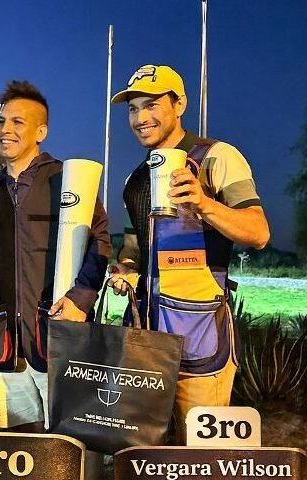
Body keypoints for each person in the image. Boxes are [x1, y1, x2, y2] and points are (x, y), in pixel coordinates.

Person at [108, 64, 270, 443]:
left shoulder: (217, 156)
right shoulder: (135, 179)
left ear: (179, 105)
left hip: (200, 339)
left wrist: (204, 203)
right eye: (133, 109)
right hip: (146, 340)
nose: (140, 118)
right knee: (148, 454)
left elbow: (259, 232)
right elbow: (134, 246)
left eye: (151, 105)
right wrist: (126, 268)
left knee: (201, 457)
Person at [0, 80, 112, 432]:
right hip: (8, 346)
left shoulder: (66, 179)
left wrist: (80, 300)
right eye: (2, 121)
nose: (5, 129)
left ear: (41, 132)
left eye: (18, 122)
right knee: (19, 440)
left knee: (70, 440)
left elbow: (100, 241)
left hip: (57, 335)